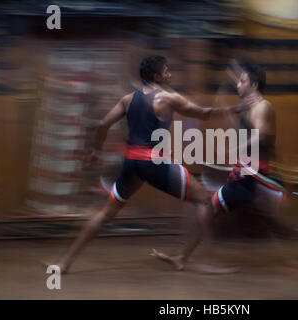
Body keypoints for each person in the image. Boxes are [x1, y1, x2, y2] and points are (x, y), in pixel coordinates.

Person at [52, 56, 239, 274]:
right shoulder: (168, 98)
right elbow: (203, 114)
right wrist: (234, 108)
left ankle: (63, 263)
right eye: (167, 71)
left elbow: (103, 124)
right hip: (154, 161)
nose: (170, 74)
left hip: (132, 162)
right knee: (204, 201)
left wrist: (95, 150)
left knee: (104, 214)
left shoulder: (128, 99)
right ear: (157, 76)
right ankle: (196, 260)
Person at [152, 62, 298, 271]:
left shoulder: (263, 106)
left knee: (285, 221)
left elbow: (260, 134)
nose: (238, 85)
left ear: (253, 85)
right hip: (249, 175)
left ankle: (190, 259)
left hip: (255, 176)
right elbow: (251, 134)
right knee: (209, 209)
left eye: (242, 81)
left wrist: (235, 147)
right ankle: (183, 258)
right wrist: (233, 117)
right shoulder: (253, 107)